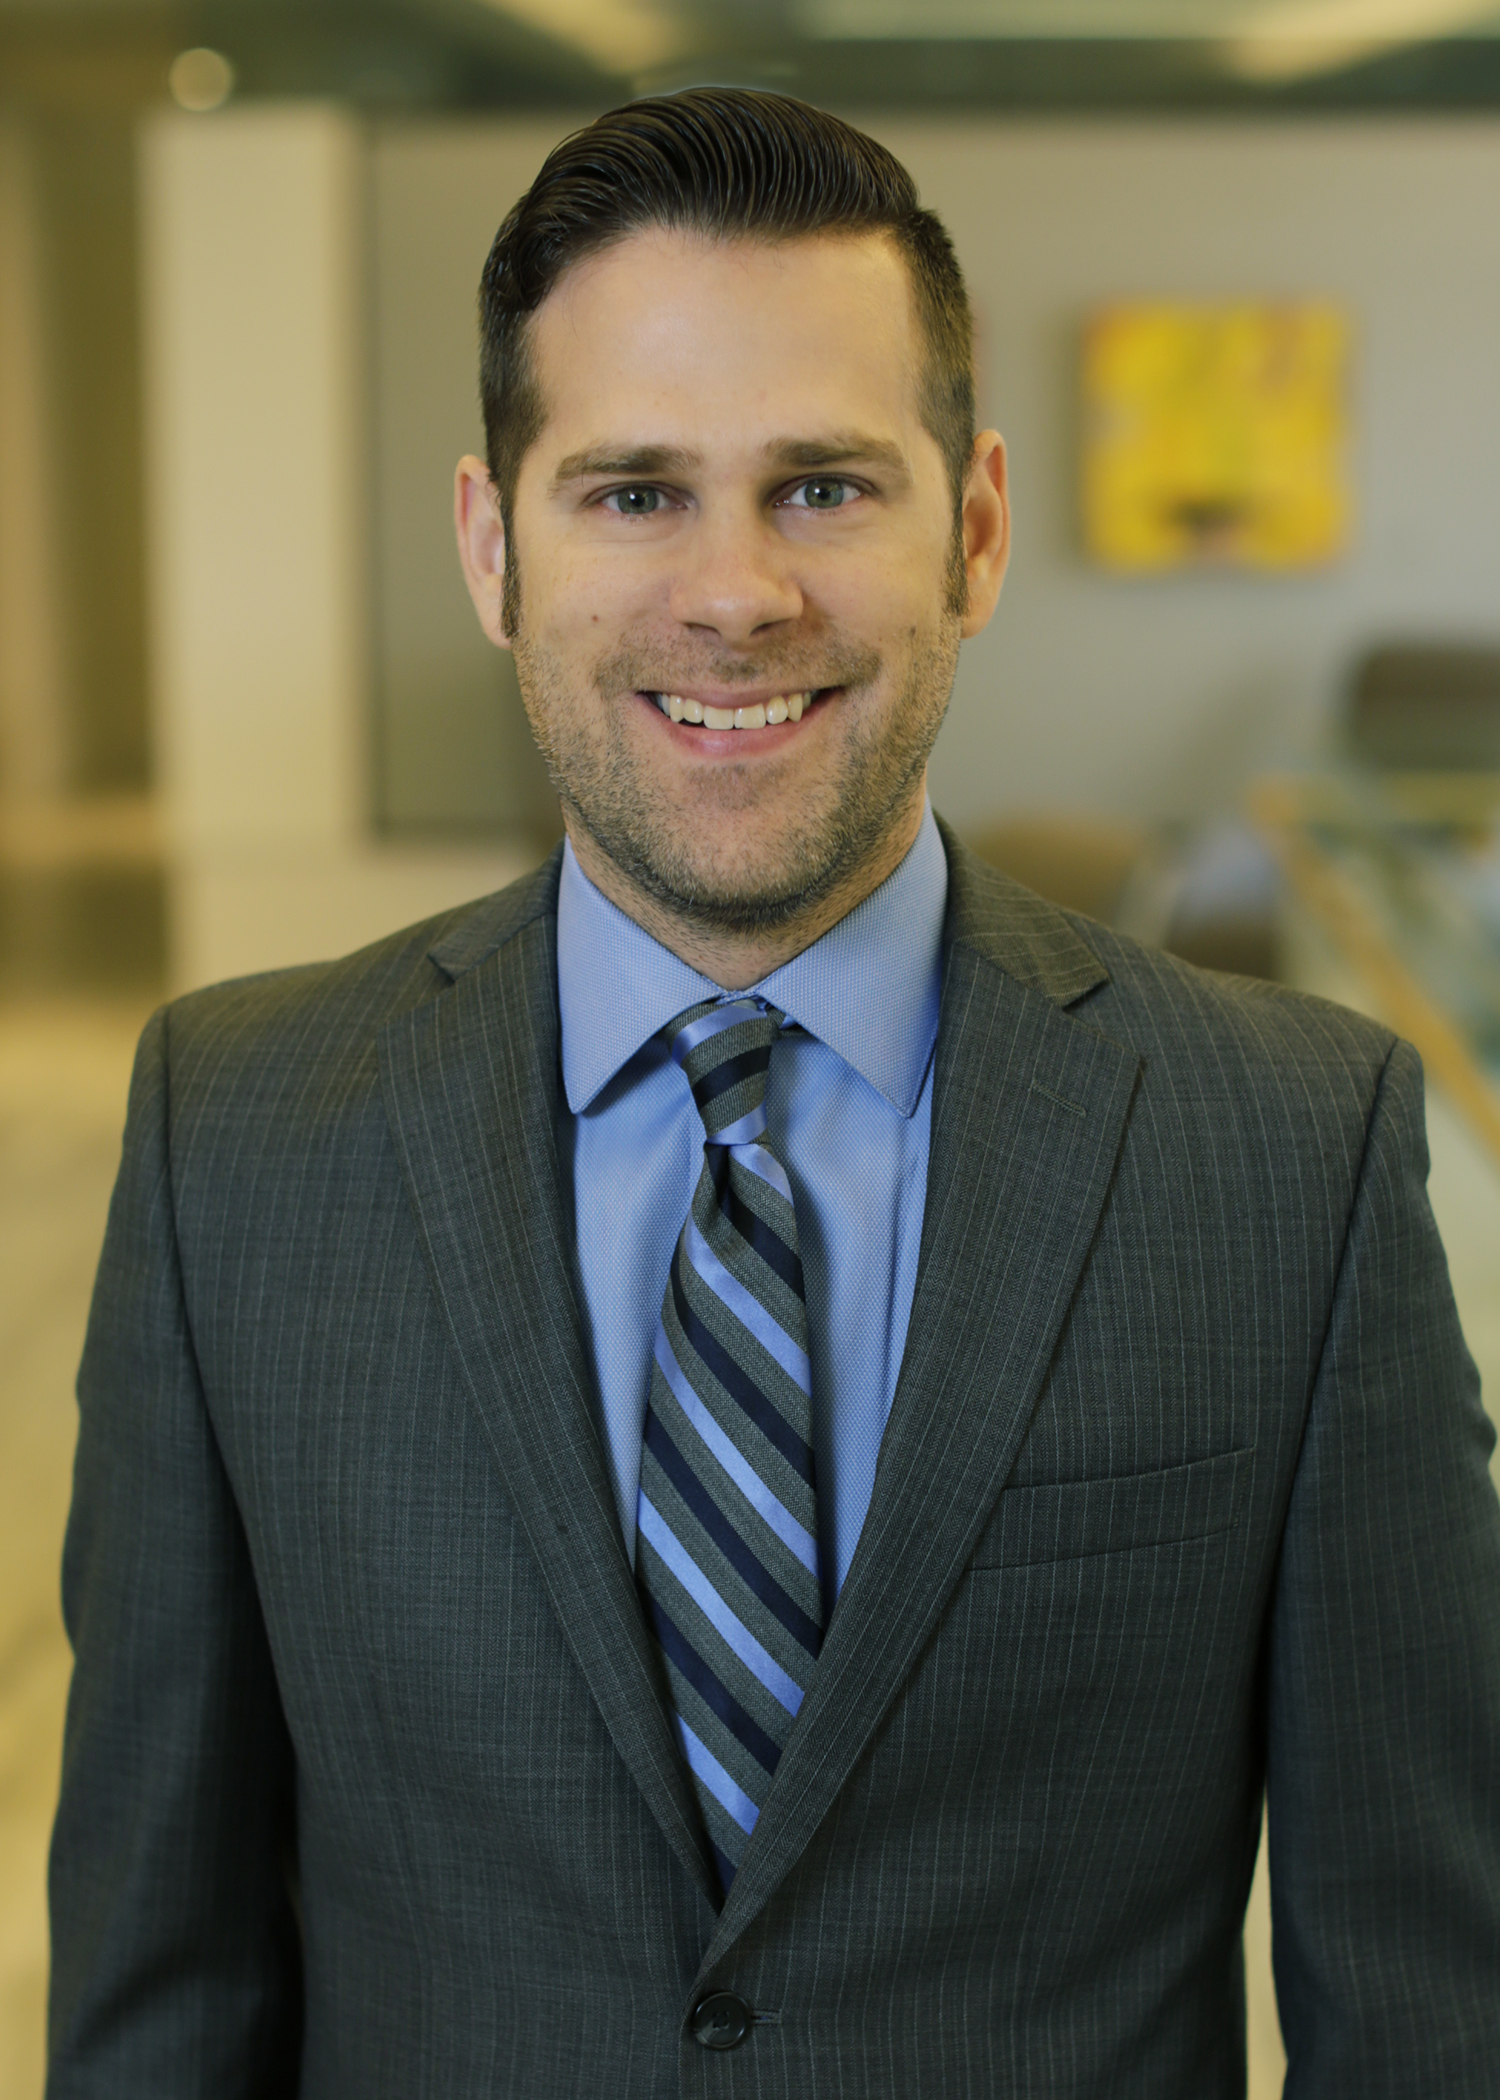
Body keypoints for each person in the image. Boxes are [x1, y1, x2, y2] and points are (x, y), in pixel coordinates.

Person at [47, 89, 1500, 2098]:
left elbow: (1426, 2007)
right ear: (493, 547)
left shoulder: (1292, 1157)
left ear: (973, 530)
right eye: (633, 492)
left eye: (821, 486)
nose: (734, 595)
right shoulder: (235, 1139)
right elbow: (160, 1987)